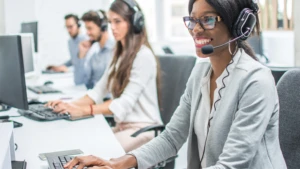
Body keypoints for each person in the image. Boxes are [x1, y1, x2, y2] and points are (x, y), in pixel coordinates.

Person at [63, 0, 287, 169]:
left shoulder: (256, 81)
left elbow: (230, 165)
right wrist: (115, 163)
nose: (195, 29)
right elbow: (172, 137)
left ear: (238, 25)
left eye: (208, 19)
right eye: (192, 20)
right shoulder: (200, 72)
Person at [46, 0, 163, 153]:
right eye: (110, 22)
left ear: (135, 22)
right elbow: (98, 92)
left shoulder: (143, 56)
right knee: (81, 145)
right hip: (123, 127)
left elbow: (123, 104)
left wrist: (83, 110)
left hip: (144, 129)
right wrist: (68, 105)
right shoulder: (119, 54)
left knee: (97, 154)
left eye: (118, 21)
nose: (112, 27)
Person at [47, 14, 88, 85]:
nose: (68, 30)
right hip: (77, 82)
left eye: (71, 27)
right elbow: (73, 60)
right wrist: (60, 67)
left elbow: (86, 65)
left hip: (86, 83)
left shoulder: (86, 41)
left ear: (78, 25)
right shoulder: (70, 42)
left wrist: (68, 70)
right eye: (66, 27)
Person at [79, 10, 115, 89]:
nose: (87, 33)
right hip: (97, 98)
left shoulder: (115, 50)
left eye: (90, 28)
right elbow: (84, 82)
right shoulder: (94, 53)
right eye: (86, 29)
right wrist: (82, 56)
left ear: (103, 27)